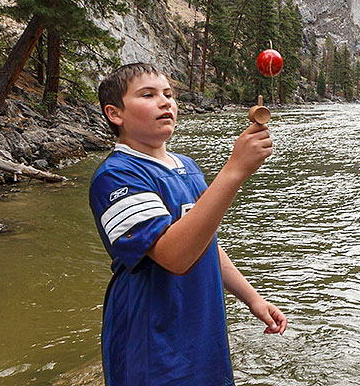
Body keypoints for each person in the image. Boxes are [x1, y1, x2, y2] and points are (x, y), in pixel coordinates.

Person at [89, 62, 287, 385]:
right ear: (115, 114)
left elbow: (205, 243)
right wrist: (234, 170)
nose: (165, 101)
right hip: (152, 344)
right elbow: (174, 256)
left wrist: (253, 299)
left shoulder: (188, 167)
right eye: (148, 95)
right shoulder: (115, 177)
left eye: (168, 94)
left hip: (200, 333)